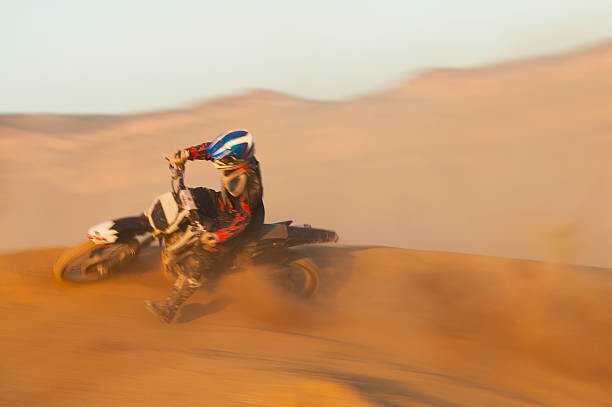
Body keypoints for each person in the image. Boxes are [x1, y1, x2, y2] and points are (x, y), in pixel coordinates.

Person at [145, 129, 264, 323]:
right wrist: (187, 154)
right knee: (189, 197)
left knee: (204, 254)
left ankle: (170, 307)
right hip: (226, 204)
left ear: (235, 160)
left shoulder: (250, 185)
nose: (217, 160)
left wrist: (218, 237)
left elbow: (242, 220)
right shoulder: (237, 158)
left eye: (223, 159)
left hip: (240, 221)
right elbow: (211, 150)